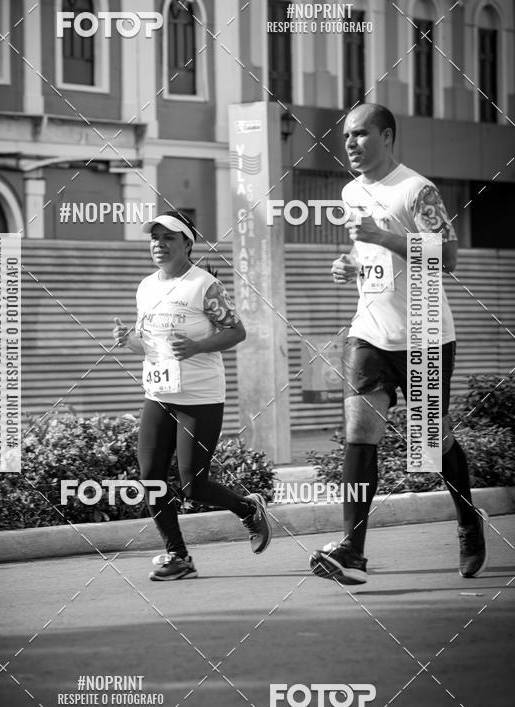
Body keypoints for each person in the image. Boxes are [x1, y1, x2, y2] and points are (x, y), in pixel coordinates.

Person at [308, 103, 488, 585]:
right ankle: (352, 550)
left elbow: (448, 258)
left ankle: (469, 522)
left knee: (432, 442)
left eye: (362, 134)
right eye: (347, 135)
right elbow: (365, 249)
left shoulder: (417, 188)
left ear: (387, 136)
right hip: (370, 331)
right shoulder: (351, 190)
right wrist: (348, 264)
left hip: (426, 332)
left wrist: (383, 236)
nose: (351, 143)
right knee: (360, 433)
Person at [113, 209, 271, 581]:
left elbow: (236, 332)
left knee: (192, 484)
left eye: (169, 237)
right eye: (155, 237)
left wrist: (198, 346)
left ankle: (247, 509)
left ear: (187, 243)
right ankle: (178, 555)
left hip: (199, 399)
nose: (159, 244)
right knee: (150, 477)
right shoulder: (146, 286)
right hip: (158, 395)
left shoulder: (204, 286)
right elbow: (149, 346)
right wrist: (128, 340)